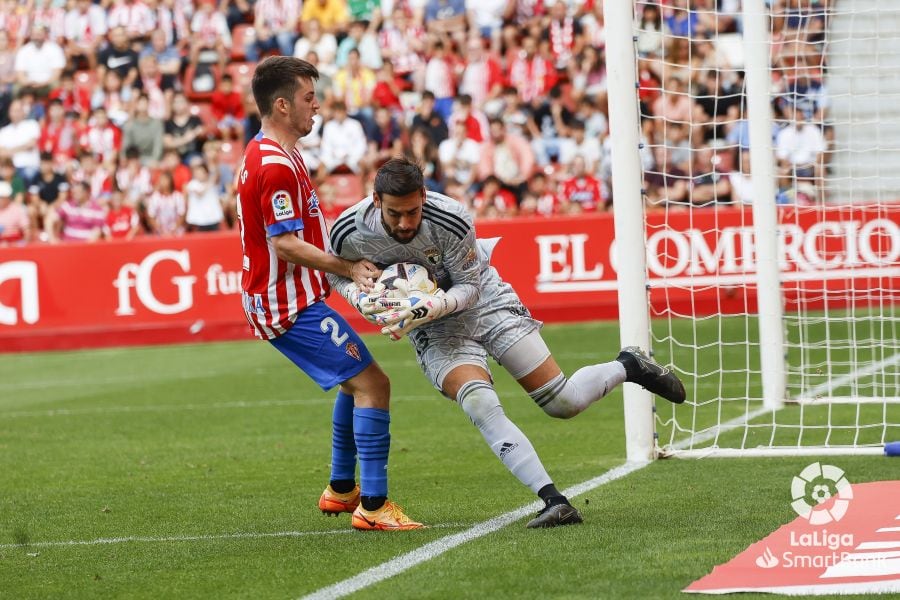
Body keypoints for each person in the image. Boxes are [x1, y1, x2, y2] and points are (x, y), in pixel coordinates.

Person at [327, 158, 686, 528]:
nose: (404, 223)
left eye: (412, 212)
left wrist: (435, 304)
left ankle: (629, 365)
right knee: (480, 401)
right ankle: (554, 501)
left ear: (424, 196)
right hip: (437, 332)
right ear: (374, 200)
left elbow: (469, 285)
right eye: (394, 214)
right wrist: (359, 297)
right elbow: (334, 268)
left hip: (485, 304)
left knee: (563, 402)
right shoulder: (347, 229)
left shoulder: (451, 218)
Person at [237, 56, 422, 531]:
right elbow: (284, 242)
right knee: (374, 383)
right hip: (286, 305)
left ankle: (342, 491)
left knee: (353, 379)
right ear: (281, 105)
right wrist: (347, 267)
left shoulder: (273, 151)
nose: (316, 106)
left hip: (294, 297)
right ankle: (375, 507)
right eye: (307, 98)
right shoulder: (275, 165)